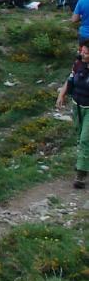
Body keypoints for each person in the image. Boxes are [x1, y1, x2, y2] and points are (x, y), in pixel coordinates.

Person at [54, 36, 89, 190]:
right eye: (82, 52)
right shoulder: (78, 65)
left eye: (86, 53)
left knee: (84, 140)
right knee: (80, 137)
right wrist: (61, 95)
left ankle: (80, 174)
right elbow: (70, 80)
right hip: (77, 107)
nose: (83, 55)